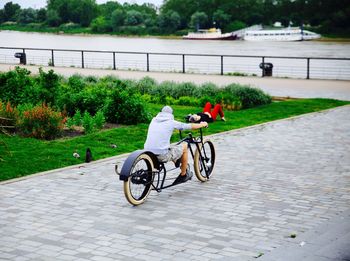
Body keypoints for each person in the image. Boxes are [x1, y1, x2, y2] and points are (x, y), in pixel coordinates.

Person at [144, 105, 208, 184]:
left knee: (172, 146)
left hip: (147, 153)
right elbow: (189, 126)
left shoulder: (153, 120)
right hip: (162, 155)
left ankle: (177, 160)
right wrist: (203, 124)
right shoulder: (171, 122)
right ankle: (183, 174)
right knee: (184, 145)